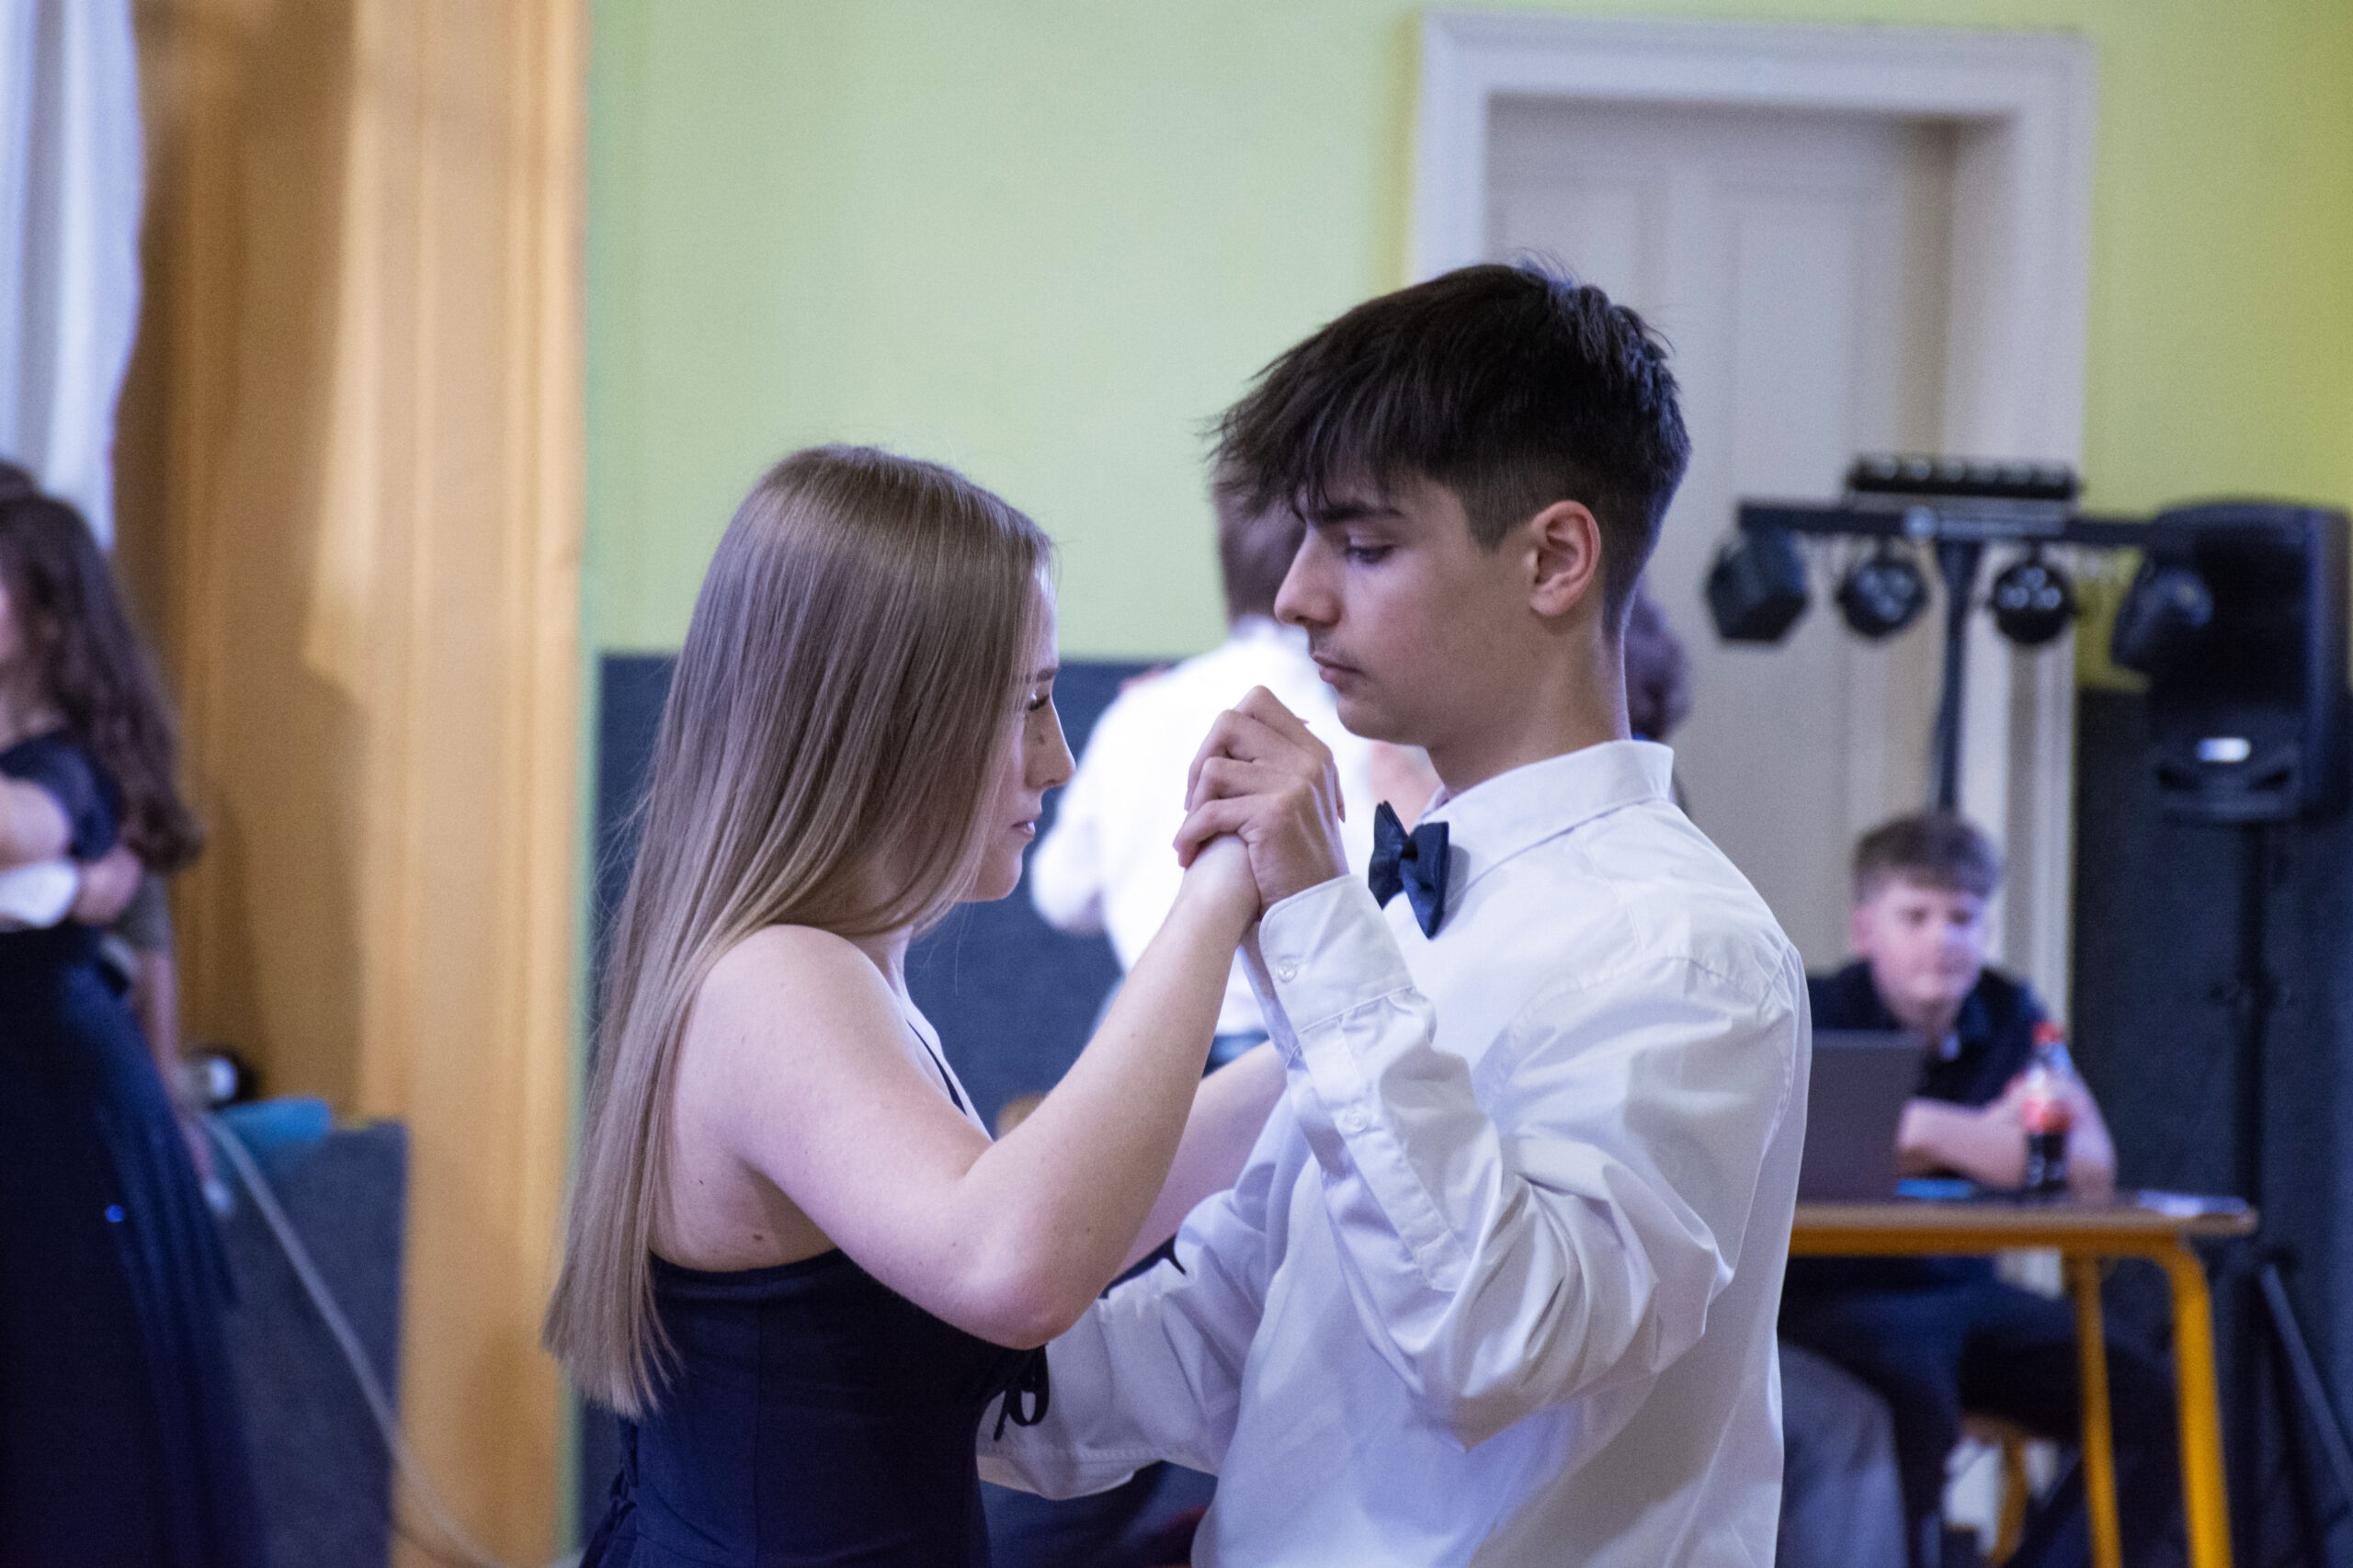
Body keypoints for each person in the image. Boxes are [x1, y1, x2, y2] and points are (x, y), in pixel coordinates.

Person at [981, 263, 1811, 1565]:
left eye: (1363, 547)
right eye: (1305, 539)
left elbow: (1506, 1340)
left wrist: (1316, 918)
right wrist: (890, 1364)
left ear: (1554, 557)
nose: (1298, 595)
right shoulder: (1421, 910)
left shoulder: (1688, 944)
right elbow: (1237, 1321)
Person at [544, 446, 1281, 1568]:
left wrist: (1338, 1045)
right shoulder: (775, 977)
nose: (1056, 757)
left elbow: (1077, 1206)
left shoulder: (828, 970)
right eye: (1027, 702)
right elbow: (1017, 1265)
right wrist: (1217, 888)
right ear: (886, 720)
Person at [1779, 811, 2183, 1568]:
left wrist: (1924, 1130)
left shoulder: (2010, 1014)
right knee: (1913, 1403)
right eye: (1916, 916)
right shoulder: (1813, 1013)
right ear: (1866, 930)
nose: (1944, 939)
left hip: (1965, 1293)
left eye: (1963, 918)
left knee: (2149, 1398)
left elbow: (2090, 1170)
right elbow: (1802, 1156)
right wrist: (1989, 1137)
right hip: (1836, 1301)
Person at [0, 486, 260, 1565]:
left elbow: (31, 830)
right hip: (41, 1092)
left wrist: (165, 1085)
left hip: (54, 1107)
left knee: (72, 1413)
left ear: (47, 615)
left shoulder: (67, 759)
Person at [1030, 464, 1375, 1066]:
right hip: (1295, 1051)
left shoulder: (1137, 712)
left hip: (1146, 1051)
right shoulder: (1359, 729)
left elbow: (1062, 895)